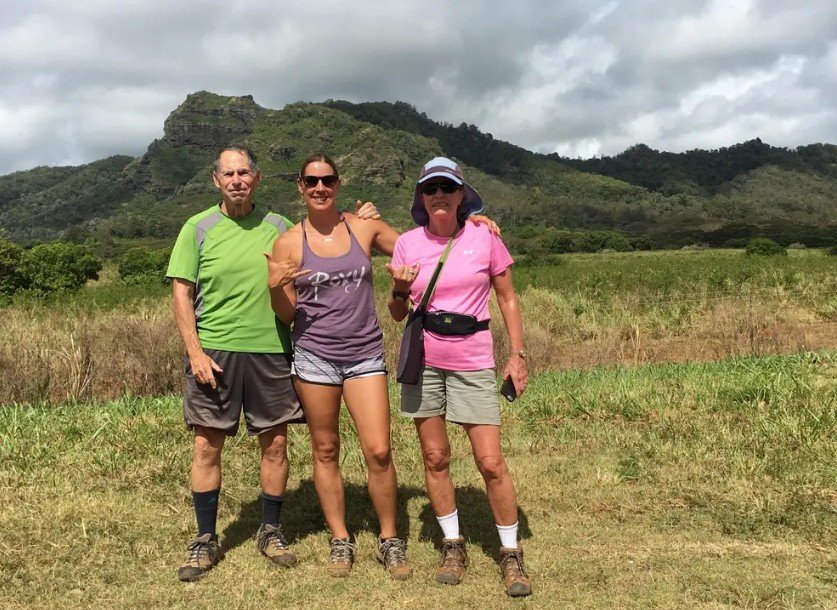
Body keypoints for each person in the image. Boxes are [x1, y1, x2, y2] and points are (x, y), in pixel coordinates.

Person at [166, 146, 378, 582]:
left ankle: (271, 529)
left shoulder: (281, 228)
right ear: (216, 180)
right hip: (217, 352)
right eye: (229, 173)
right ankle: (205, 537)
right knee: (207, 445)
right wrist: (194, 351)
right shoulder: (198, 228)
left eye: (245, 172)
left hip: (274, 350)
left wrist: (364, 221)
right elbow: (182, 292)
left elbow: (329, 245)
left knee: (276, 444)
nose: (238, 180)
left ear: (257, 179)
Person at [387, 157, 532, 597]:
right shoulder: (408, 244)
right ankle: (453, 543)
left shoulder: (484, 237)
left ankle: (511, 553)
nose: (439, 195)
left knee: (490, 461)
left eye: (447, 188)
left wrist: (517, 354)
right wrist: (398, 286)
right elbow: (397, 313)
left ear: (461, 194)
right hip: (425, 359)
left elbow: (507, 298)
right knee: (435, 458)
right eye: (430, 189)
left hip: (472, 359)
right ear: (421, 197)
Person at [266, 153, 412, 580]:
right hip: (314, 357)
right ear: (299, 186)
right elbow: (287, 314)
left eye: (327, 180)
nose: (320, 188)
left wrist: (468, 222)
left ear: (338, 183)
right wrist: (275, 288)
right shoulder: (289, 242)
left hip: (364, 352)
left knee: (379, 451)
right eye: (311, 181)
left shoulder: (363, 226)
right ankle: (340, 539)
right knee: (325, 449)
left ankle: (389, 538)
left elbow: (414, 248)